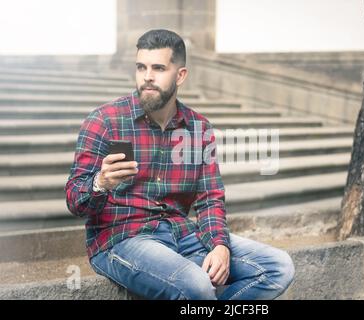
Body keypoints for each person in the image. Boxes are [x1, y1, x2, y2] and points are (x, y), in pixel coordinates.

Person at [65, 29, 295, 300]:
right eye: (141, 67)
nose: (147, 77)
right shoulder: (105, 121)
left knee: (278, 267)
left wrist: (220, 245)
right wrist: (100, 183)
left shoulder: (198, 128)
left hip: (182, 234)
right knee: (197, 285)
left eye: (158, 68)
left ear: (181, 75)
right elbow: (74, 200)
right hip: (121, 239)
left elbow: (210, 198)